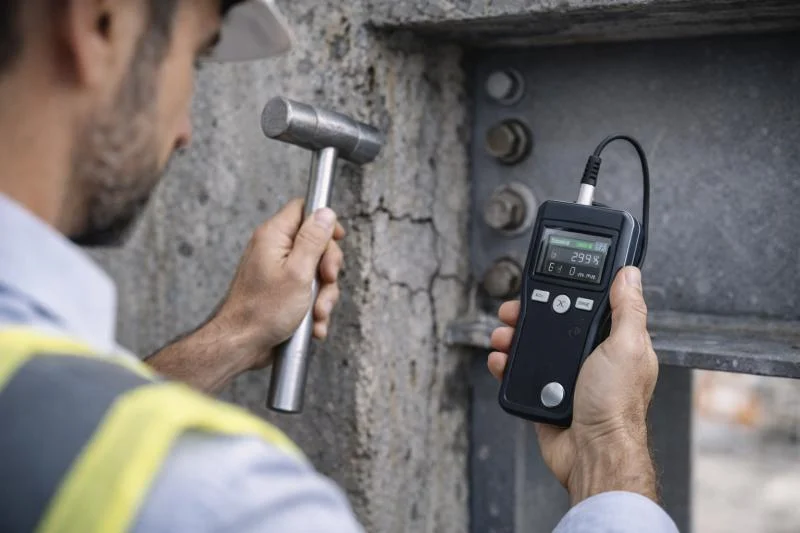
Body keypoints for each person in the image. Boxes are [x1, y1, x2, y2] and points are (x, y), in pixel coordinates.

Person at [0, 1, 679, 532]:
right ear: (100, 22)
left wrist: (236, 334)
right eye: (197, 61)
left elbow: (63, 423)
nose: (186, 131)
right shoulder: (227, 501)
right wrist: (609, 449)